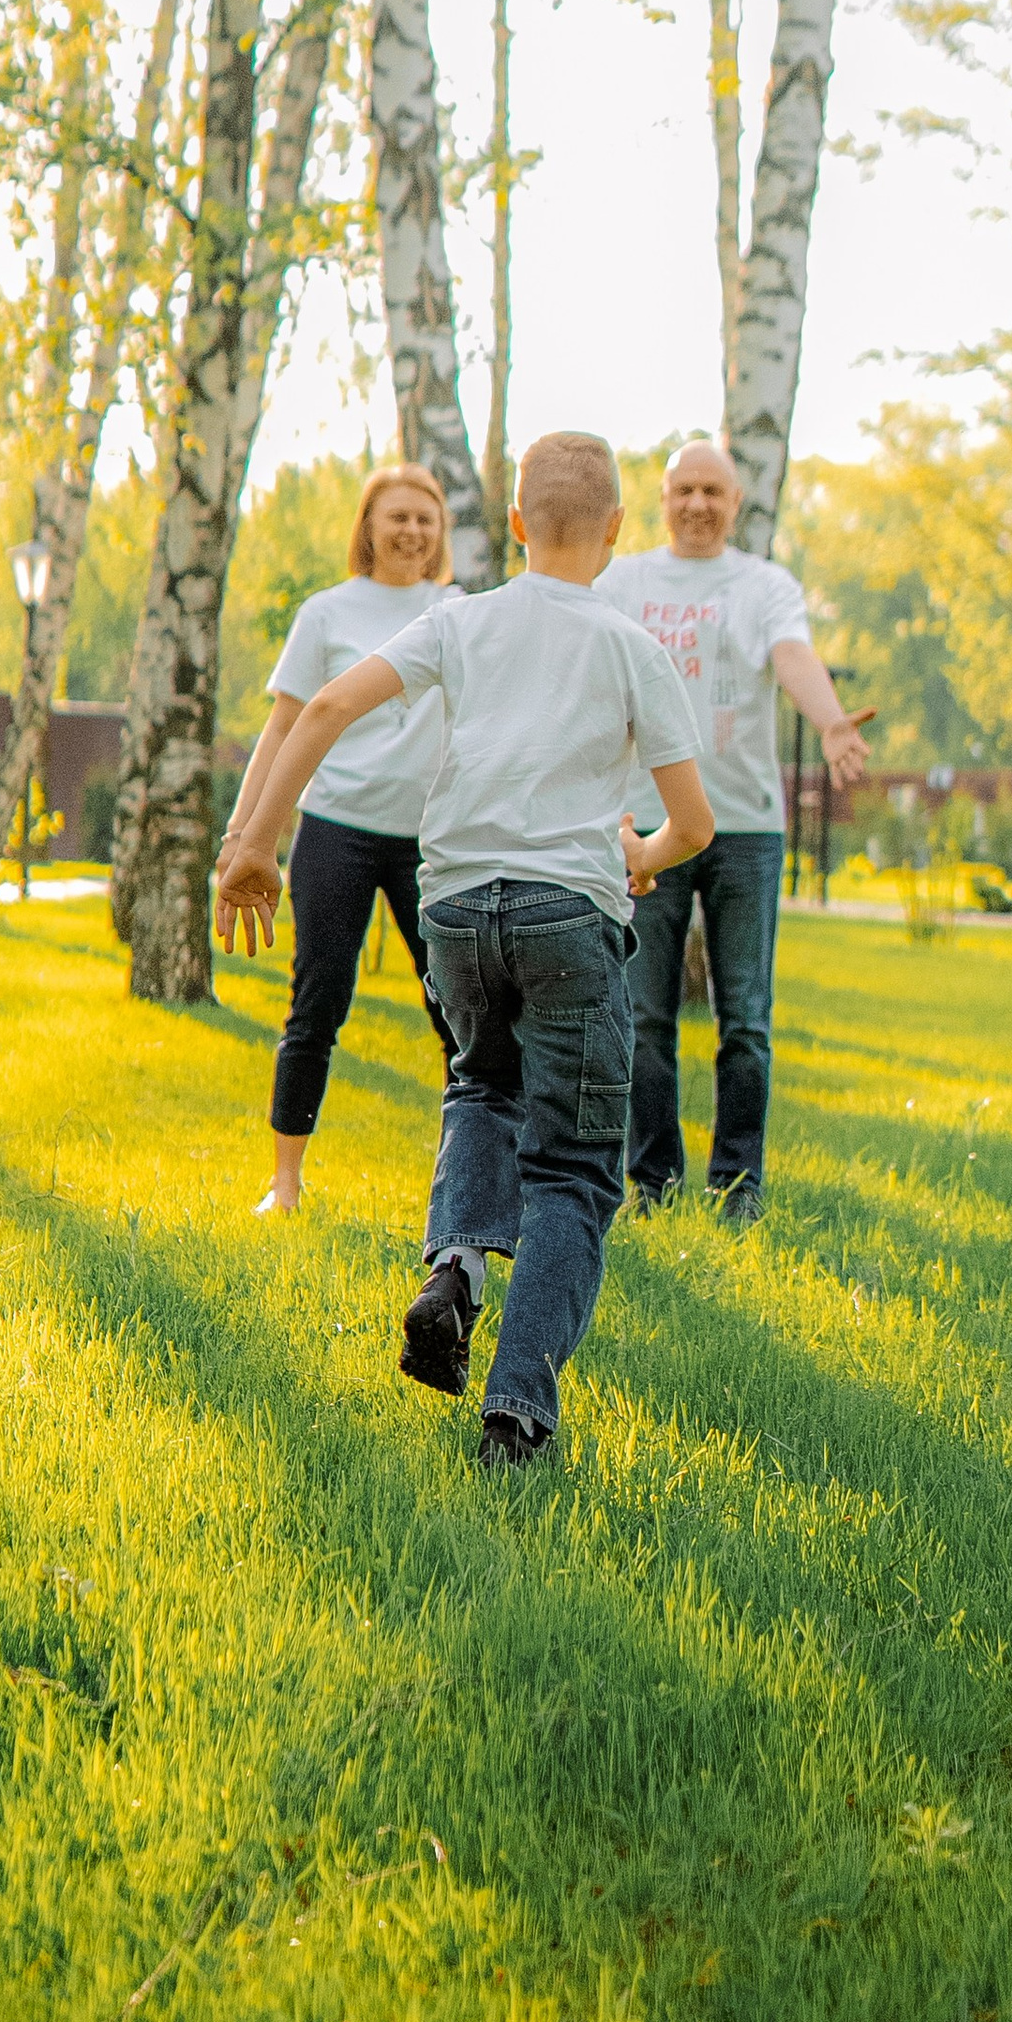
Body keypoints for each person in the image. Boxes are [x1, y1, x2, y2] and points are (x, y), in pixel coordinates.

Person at [214, 428, 708, 1467]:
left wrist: (254, 841)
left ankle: (455, 1272)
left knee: (482, 1086)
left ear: (516, 523)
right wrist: (642, 852)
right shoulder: (633, 648)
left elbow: (329, 705)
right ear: (618, 530)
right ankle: (515, 1411)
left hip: (455, 909)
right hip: (570, 914)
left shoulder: (459, 618)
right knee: (573, 1168)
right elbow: (695, 824)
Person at [595, 437, 869, 1219]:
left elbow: (794, 658)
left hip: (745, 827)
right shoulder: (624, 581)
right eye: (684, 490)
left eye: (713, 491)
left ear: (736, 503)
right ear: (662, 500)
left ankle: (738, 1185)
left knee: (744, 1019)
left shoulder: (765, 586)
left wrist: (831, 721)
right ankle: (652, 1183)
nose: (698, 505)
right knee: (645, 1017)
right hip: (645, 824)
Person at [223, 463, 458, 1215]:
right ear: (368, 527)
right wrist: (242, 833)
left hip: (432, 840)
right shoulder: (326, 613)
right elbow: (284, 727)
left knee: (457, 1011)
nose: (412, 531)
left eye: (425, 518)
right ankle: (284, 1183)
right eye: (398, 517)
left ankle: (465, 1187)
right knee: (316, 1004)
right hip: (337, 830)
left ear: (440, 532)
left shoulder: (460, 611)